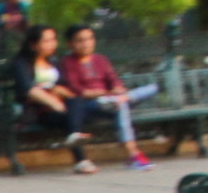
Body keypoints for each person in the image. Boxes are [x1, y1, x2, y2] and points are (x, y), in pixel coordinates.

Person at [58, 25, 156, 171]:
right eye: (80, 40)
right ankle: (133, 153)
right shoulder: (68, 62)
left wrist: (118, 89)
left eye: (90, 39)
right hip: (92, 104)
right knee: (121, 105)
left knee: (152, 88)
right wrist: (105, 93)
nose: (86, 43)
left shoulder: (100, 59)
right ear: (70, 44)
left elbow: (114, 80)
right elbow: (77, 90)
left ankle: (123, 100)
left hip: (113, 100)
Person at [11, 25, 95, 172]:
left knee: (75, 104)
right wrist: (52, 100)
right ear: (33, 44)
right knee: (71, 118)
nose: (52, 44)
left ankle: (77, 146)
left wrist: (59, 92)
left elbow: (63, 86)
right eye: (46, 41)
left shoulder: (54, 61)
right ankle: (80, 158)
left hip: (62, 108)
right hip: (39, 111)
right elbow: (29, 90)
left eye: (53, 40)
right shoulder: (21, 63)